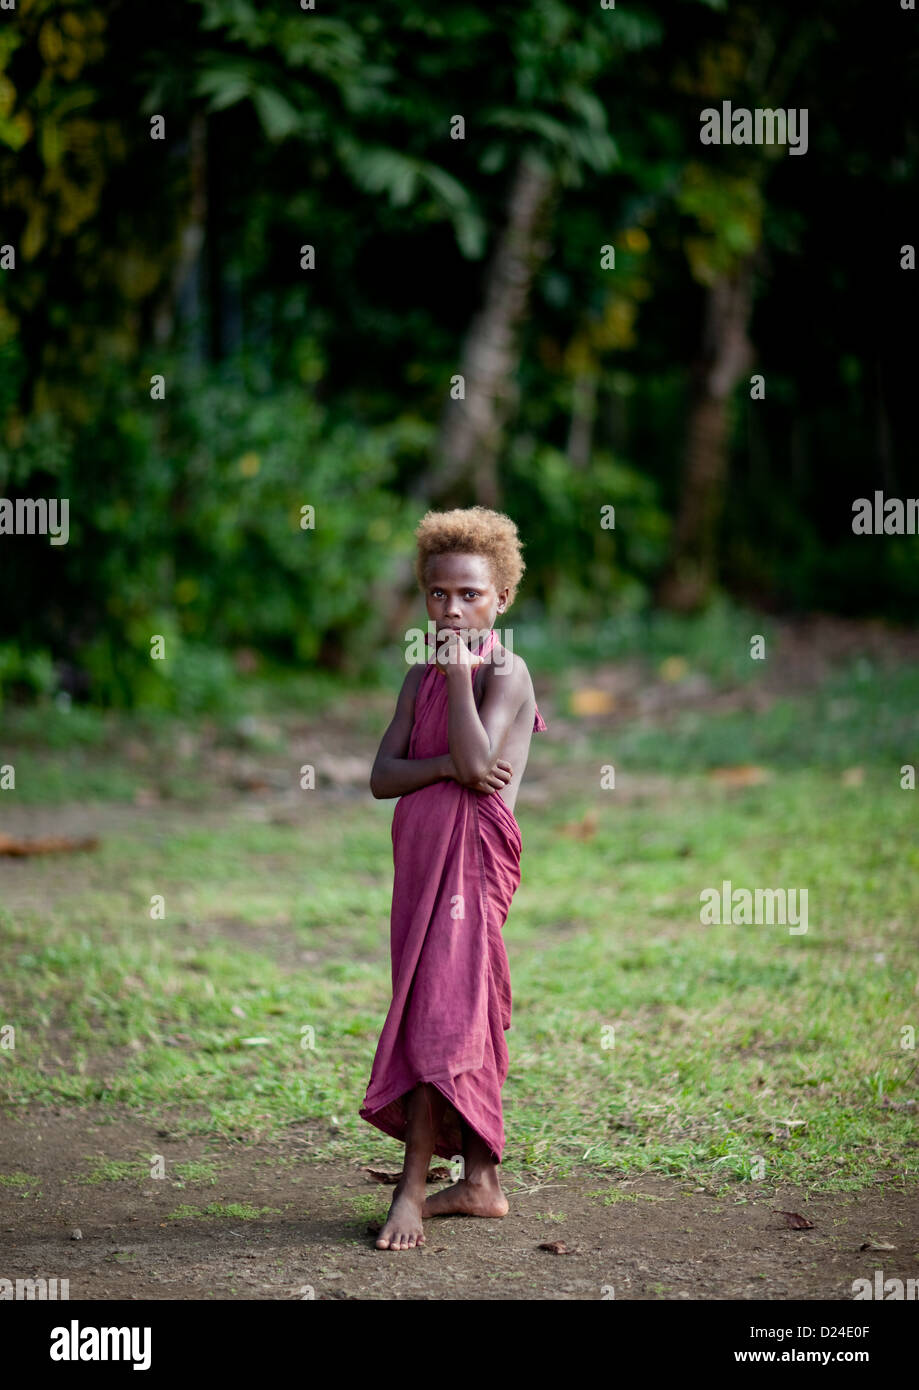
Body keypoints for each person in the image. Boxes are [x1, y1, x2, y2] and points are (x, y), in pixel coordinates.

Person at [360, 505, 547, 1251]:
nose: (452, 608)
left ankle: (411, 1189)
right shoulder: (416, 676)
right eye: (439, 594)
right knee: (442, 1002)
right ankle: (478, 1181)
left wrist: (460, 677)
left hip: (472, 868)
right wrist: (434, 765)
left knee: (443, 1008)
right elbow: (381, 776)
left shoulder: (505, 670)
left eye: (470, 594)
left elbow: (478, 767)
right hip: (419, 870)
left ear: (500, 598)